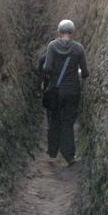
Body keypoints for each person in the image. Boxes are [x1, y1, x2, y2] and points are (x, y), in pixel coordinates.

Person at [43, 19, 89, 165]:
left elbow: (47, 68)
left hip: (56, 91)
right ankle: (69, 156)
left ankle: (52, 153)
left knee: (54, 121)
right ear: (72, 32)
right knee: (68, 123)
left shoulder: (52, 46)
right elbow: (85, 72)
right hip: (72, 91)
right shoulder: (78, 49)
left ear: (59, 32)